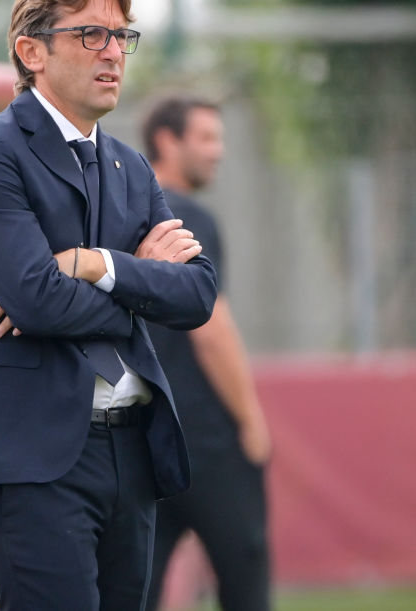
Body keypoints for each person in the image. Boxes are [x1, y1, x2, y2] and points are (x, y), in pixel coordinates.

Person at [0, 0, 217, 611]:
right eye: (91, 34)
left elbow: (198, 293)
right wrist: (143, 285)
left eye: (122, 35)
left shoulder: (129, 165)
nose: (113, 51)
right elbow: (35, 297)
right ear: (31, 50)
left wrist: (100, 265)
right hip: (28, 453)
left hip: (130, 446)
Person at [141, 96, 273, 610]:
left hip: (142, 434)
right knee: (245, 568)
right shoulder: (188, 216)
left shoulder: (123, 209)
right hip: (204, 437)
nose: (219, 151)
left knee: (137, 584)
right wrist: (250, 418)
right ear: (167, 142)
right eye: (207, 138)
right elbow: (211, 328)